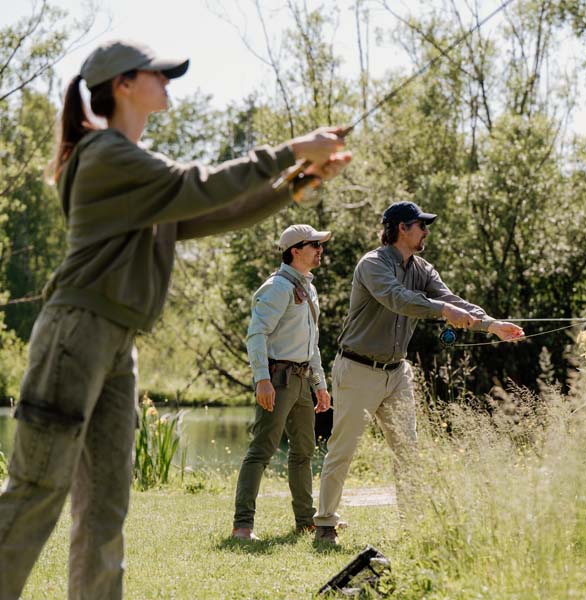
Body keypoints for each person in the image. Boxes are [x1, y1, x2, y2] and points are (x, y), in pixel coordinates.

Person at [0, 39, 351, 600]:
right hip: (76, 335)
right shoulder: (108, 158)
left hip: (117, 344)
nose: (168, 82)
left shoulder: (140, 178)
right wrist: (291, 149)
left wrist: (297, 184)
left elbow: (218, 211)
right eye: (158, 74)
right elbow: (201, 184)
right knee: (36, 490)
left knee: (105, 509)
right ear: (123, 85)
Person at [312, 201, 524, 546]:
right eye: (421, 225)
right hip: (358, 368)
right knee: (343, 449)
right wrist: (443, 310)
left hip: (397, 373)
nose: (426, 231)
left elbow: (449, 298)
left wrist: (492, 325)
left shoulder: (422, 268)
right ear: (401, 229)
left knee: (407, 450)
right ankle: (324, 525)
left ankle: (413, 527)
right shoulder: (373, 265)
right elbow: (398, 299)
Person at [231, 224, 333, 541]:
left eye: (320, 245)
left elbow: (311, 343)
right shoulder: (278, 288)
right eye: (313, 245)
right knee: (261, 450)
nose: (320, 250)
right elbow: (256, 334)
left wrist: (320, 383)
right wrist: (262, 379)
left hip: (303, 379)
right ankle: (242, 527)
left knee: (303, 451)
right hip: (278, 378)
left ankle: (306, 521)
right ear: (294, 250)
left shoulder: (307, 287)